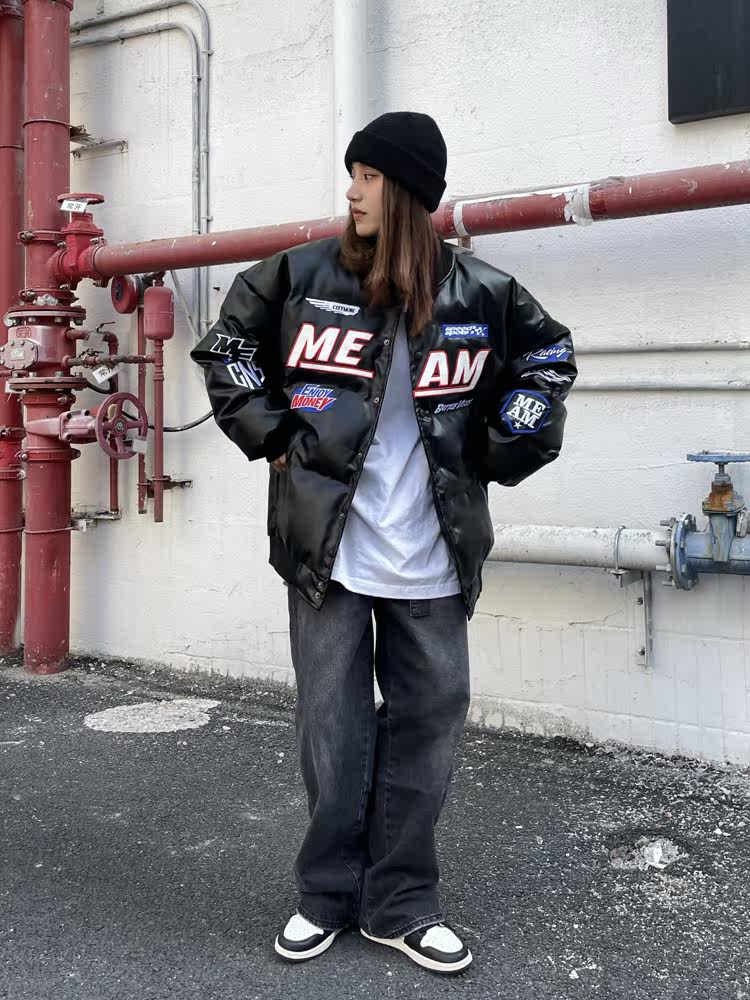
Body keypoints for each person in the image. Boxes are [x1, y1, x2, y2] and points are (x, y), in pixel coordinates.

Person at [190, 111, 577, 975]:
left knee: (427, 730)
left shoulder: (482, 293)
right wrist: (273, 435)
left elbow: (548, 360)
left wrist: (506, 441)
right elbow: (228, 349)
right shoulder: (299, 276)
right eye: (353, 173)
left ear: (405, 190)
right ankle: (326, 894)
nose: (352, 189)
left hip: (434, 553)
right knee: (333, 733)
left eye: (367, 175)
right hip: (328, 551)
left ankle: (401, 902)